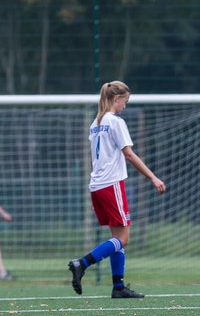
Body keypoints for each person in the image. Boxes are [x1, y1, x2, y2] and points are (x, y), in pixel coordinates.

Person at [67, 81, 167, 298]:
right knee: (123, 239)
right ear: (116, 98)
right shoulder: (115, 121)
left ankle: (118, 287)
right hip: (111, 184)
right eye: (125, 101)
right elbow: (128, 154)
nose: (125, 106)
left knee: (116, 237)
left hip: (98, 185)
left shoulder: (96, 122)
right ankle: (82, 263)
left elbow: (96, 159)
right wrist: (153, 177)